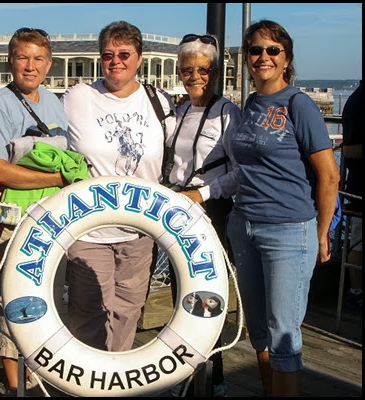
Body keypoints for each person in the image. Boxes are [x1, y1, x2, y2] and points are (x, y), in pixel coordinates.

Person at [226, 20, 340, 396]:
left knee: (284, 335)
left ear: (286, 58)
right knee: (258, 331)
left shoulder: (299, 104)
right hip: (245, 225)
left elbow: (329, 176)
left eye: (272, 50)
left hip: (289, 231)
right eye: (255, 50)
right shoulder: (253, 103)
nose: (263, 57)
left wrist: (322, 232)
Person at [60, 20, 176, 352]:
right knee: (88, 312)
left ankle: (116, 379)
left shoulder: (159, 101)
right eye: (108, 54)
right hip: (89, 231)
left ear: (139, 58)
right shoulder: (78, 97)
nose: (116, 61)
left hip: (140, 232)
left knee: (127, 312)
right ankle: (88, 385)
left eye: (124, 54)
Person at [0, 27, 68, 396]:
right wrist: (57, 177)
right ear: (11, 60)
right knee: (12, 300)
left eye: (38, 58)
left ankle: (37, 373)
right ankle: (15, 386)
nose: (30, 66)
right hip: (12, 220)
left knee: (49, 297)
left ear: (49, 64)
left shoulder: (55, 103)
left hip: (52, 219)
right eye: (23, 57)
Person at [165, 33, 242, 397]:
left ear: (215, 72)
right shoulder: (179, 111)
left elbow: (241, 171)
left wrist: (204, 192)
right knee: (181, 294)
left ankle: (215, 376)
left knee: (206, 296)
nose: (194, 76)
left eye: (202, 69)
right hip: (178, 208)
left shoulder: (228, 114)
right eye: (187, 69)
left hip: (211, 210)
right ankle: (186, 370)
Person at [341, 80, 363, 310]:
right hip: (359, 190)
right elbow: (349, 148)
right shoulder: (358, 101)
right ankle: (355, 292)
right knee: (358, 242)